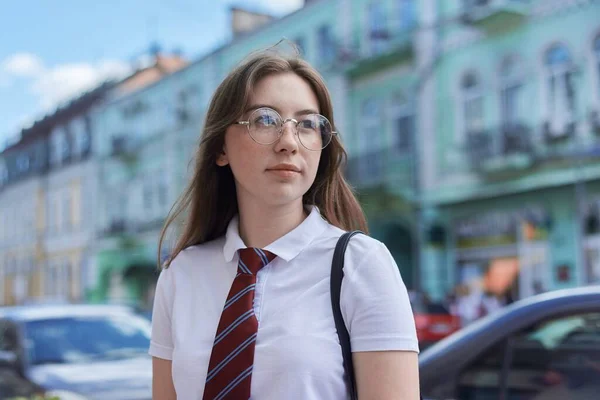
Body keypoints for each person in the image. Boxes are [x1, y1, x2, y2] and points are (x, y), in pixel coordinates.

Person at [149, 45, 420, 400]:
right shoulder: (181, 275)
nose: (289, 142)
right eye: (265, 119)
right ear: (220, 149)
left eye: (307, 124)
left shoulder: (362, 266)